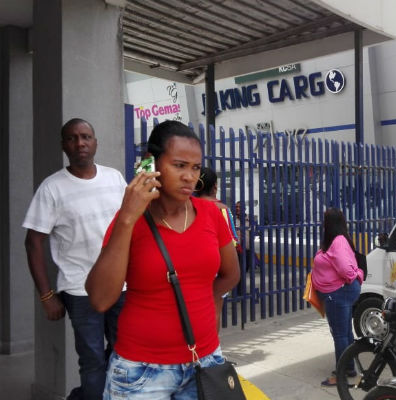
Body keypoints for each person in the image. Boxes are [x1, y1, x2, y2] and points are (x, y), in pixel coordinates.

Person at [85, 120, 240, 399]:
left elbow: (231, 274)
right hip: (141, 371)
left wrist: (205, 304)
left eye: (195, 168)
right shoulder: (129, 221)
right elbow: (100, 299)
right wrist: (127, 217)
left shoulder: (211, 214)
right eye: (179, 165)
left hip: (203, 361)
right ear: (151, 163)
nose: (189, 177)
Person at [22, 118, 127, 400]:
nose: (79, 143)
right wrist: (47, 296)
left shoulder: (115, 178)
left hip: (121, 285)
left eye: (85, 137)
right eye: (71, 138)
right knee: (92, 360)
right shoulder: (52, 188)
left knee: (126, 352)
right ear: (63, 145)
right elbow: (33, 243)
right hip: (80, 290)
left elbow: (130, 226)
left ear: (95, 142)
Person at [312, 208, 364, 387]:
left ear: (330, 223)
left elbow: (345, 269)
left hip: (338, 293)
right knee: (345, 332)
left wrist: (354, 275)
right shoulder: (334, 241)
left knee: (340, 334)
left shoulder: (338, 242)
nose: (322, 224)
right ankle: (348, 367)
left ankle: (341, 373)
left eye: (325, 220)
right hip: (336, 293)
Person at [196, 167, 239, 331]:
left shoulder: (187, 207)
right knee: (214, 309)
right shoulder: (222, 209)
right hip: (216, 266)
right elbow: (231, 241)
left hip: (192, 266)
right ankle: (211, 349)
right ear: (215, 186)